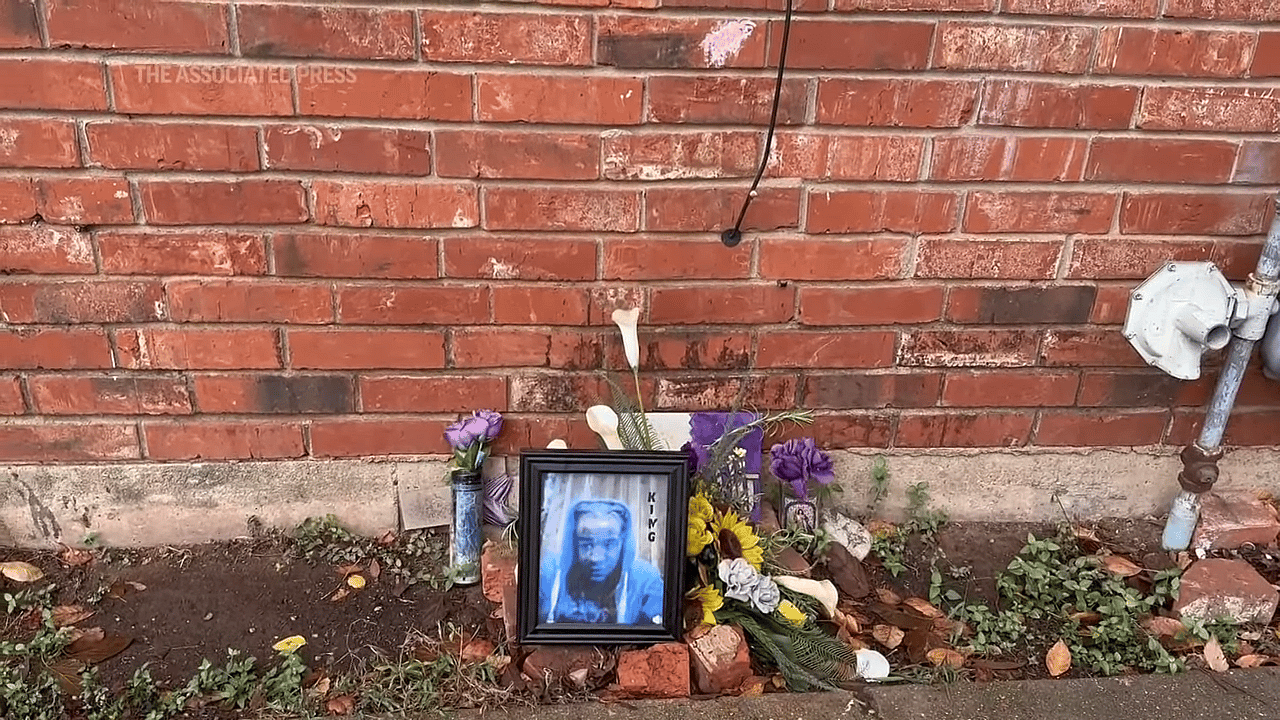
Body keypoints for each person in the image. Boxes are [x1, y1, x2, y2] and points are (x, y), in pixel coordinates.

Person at [538, 498, 664, 625]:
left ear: (624, 543)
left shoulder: (646, 580)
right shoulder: (552, 573)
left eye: (609, 544)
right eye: (586, 543)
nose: (596, 558)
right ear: (574, 543)